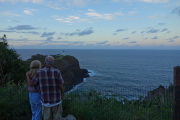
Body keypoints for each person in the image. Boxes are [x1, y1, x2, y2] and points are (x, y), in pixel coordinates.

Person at [27, 56, 64, 120]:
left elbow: (31, 83)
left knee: (46, 118)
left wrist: (27, 75)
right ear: (53, 62)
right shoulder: (57, 71)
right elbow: (61, 85)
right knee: (57, 118)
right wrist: (62, 93)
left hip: (45, 101)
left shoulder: (39, 72)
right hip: (56, 100)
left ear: (45, 62)